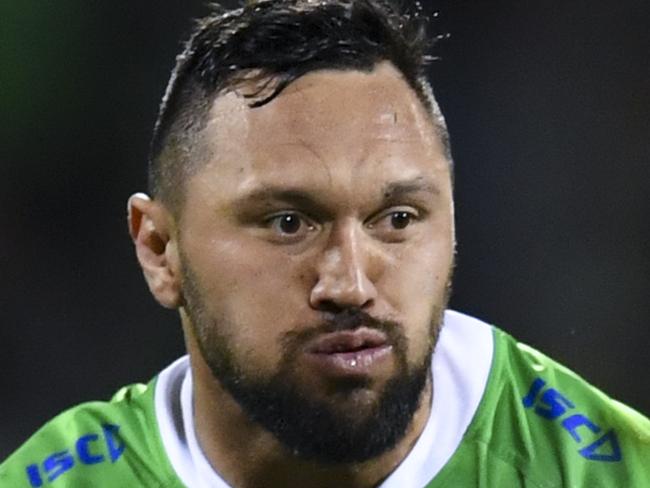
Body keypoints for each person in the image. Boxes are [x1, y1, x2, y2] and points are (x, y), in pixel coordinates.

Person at [1, 0, 648, 486]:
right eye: (288, 223)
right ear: (159, 249)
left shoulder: (606, 470)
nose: (350, 284)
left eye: (397, 219)